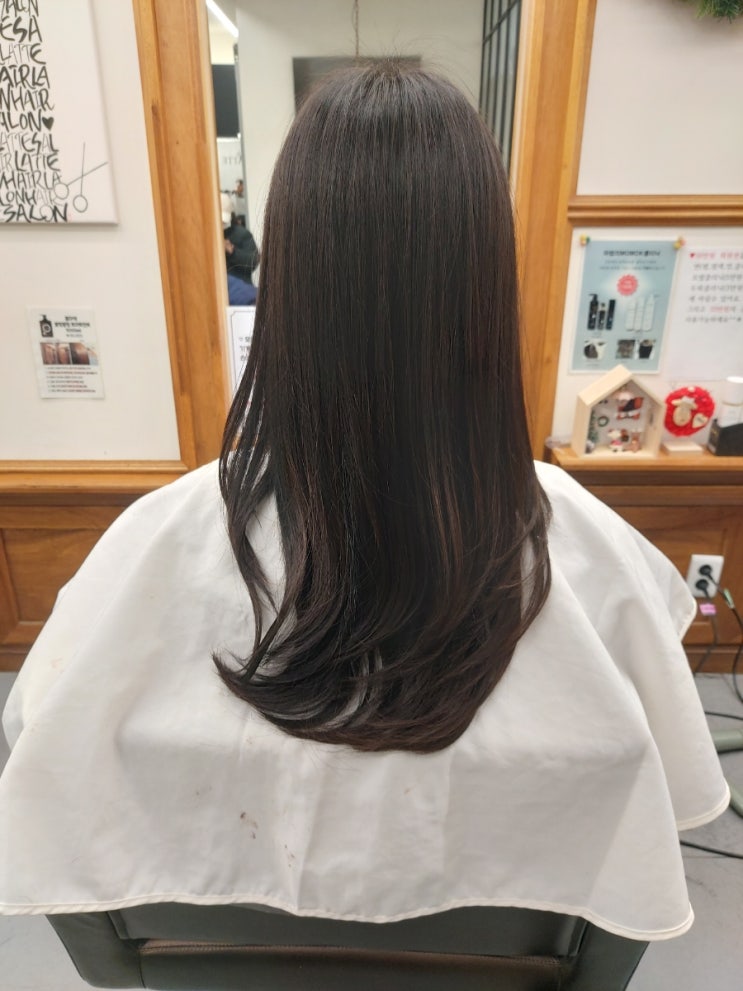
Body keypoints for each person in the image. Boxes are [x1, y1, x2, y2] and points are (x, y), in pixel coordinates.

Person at [0, 64, 727, 944]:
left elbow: (41, 748)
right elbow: (647, 812)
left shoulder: (155, 537)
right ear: (483, 288)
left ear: (291, 281)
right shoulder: (590, 549)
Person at [222, 191, 259, 287]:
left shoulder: (242, 234)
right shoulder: (209, 236)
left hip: (241, 288)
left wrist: (232, 252)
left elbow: (253, 261)